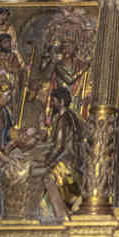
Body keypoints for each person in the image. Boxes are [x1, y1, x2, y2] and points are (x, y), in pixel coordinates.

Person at [39, 87, 86, 222]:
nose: (51, 104)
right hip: (72, 158)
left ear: (61, 101)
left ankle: (61, 214)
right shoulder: (72, 116)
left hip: (66, 160)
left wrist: (47, 161)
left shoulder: (63, 119)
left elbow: (59, 146)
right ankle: (58, 212)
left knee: (49, 178)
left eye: (53, 101)